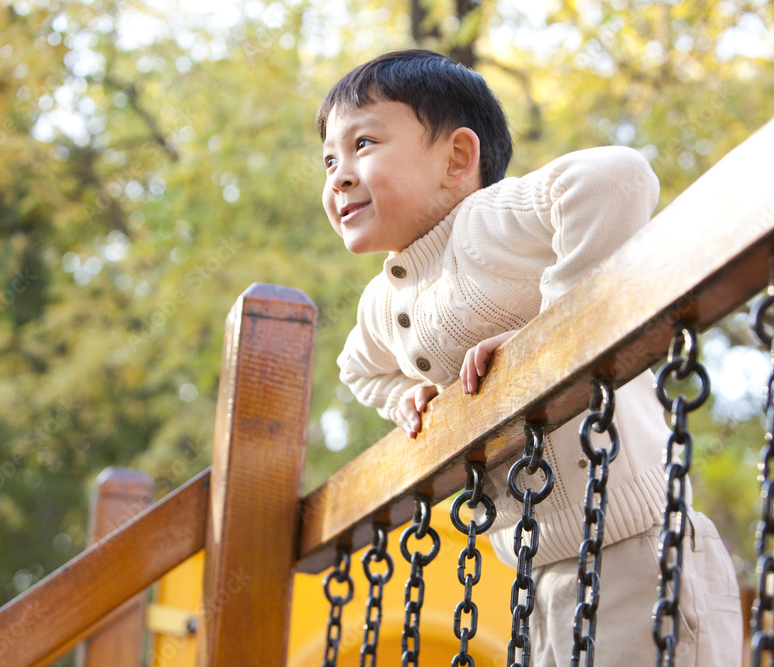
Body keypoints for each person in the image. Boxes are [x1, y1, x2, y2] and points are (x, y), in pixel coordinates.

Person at [317, 49, 742, 665]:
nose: (339, 175)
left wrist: (555, 325)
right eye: (329, 159)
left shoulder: (488, 222)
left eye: (364, 144)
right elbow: (358, 368)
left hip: (640, 548)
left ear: (458, 159)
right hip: (537, 576)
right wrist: (404, 394)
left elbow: (615, 178)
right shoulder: (382, 302)